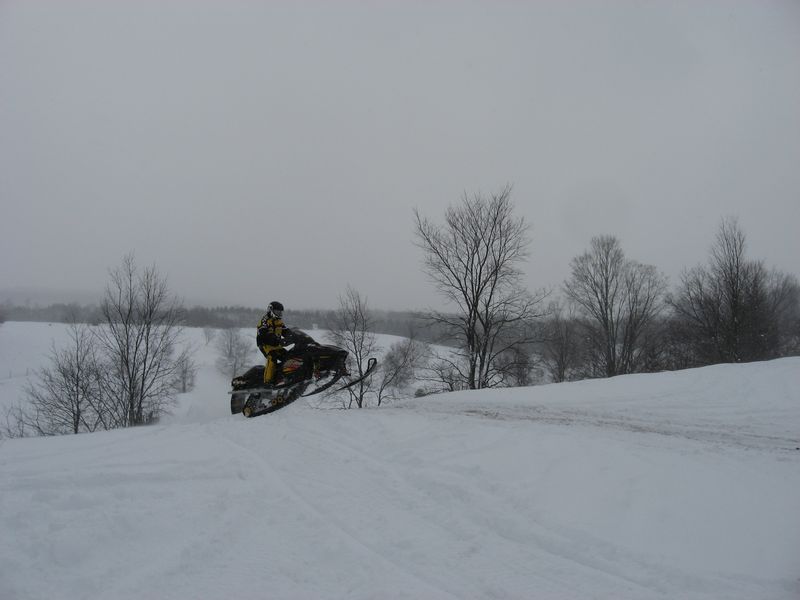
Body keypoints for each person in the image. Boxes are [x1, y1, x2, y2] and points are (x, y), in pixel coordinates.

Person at [257, 301, 288, 386]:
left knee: (288, 357)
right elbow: (264, 335)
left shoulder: (279, 321)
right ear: (270, 310)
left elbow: (285, 331)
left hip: (276, 345)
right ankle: (267, 382)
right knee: (272, 358)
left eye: (280, 312)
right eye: (277, 311)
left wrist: (293, 335)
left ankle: (282, 376)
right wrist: (275, 340)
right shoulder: (265, 321)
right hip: (265, 345)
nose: (279, 314)